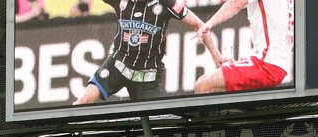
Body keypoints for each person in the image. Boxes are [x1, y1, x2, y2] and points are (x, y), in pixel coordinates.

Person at [74, 0, 220, 104]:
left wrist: (217, 56)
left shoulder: (167, 3)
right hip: (118, 65)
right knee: (83, 100)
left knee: (151, 124)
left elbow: (199, 25)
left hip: (148, 75)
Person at [195, 0, 293, 94]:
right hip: (277, 65)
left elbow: (236, 3)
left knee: (203, 85)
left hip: (266, 64)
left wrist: (209, 24)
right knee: (219, 89)